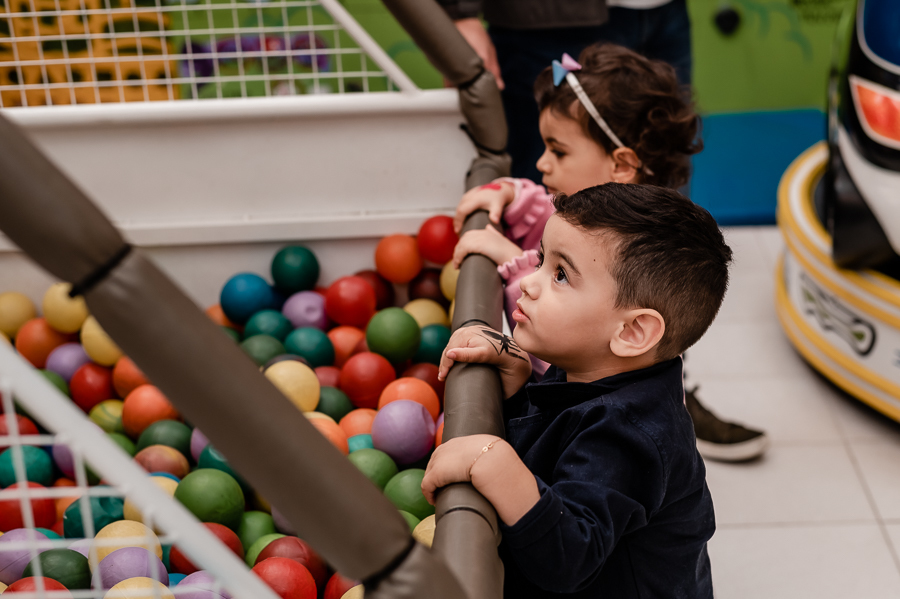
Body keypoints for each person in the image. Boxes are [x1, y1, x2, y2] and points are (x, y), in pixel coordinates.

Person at [449, 42, 770, 462]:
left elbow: (566, 339)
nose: (542, 164)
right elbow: (543, 206)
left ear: (620, 165)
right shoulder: (584, 212)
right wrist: (506, 191)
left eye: (558, 150)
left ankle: (683, 419)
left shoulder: (633, 255)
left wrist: (511, 260)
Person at [423, 183, 722, 598]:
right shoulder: (588, 369)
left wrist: (493, 462)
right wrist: (518, 391)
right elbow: (556, 453)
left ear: (632, 331)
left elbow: (568, 558)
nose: (529, 283)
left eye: (560, 275)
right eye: (541, 259)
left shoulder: (629, 434)